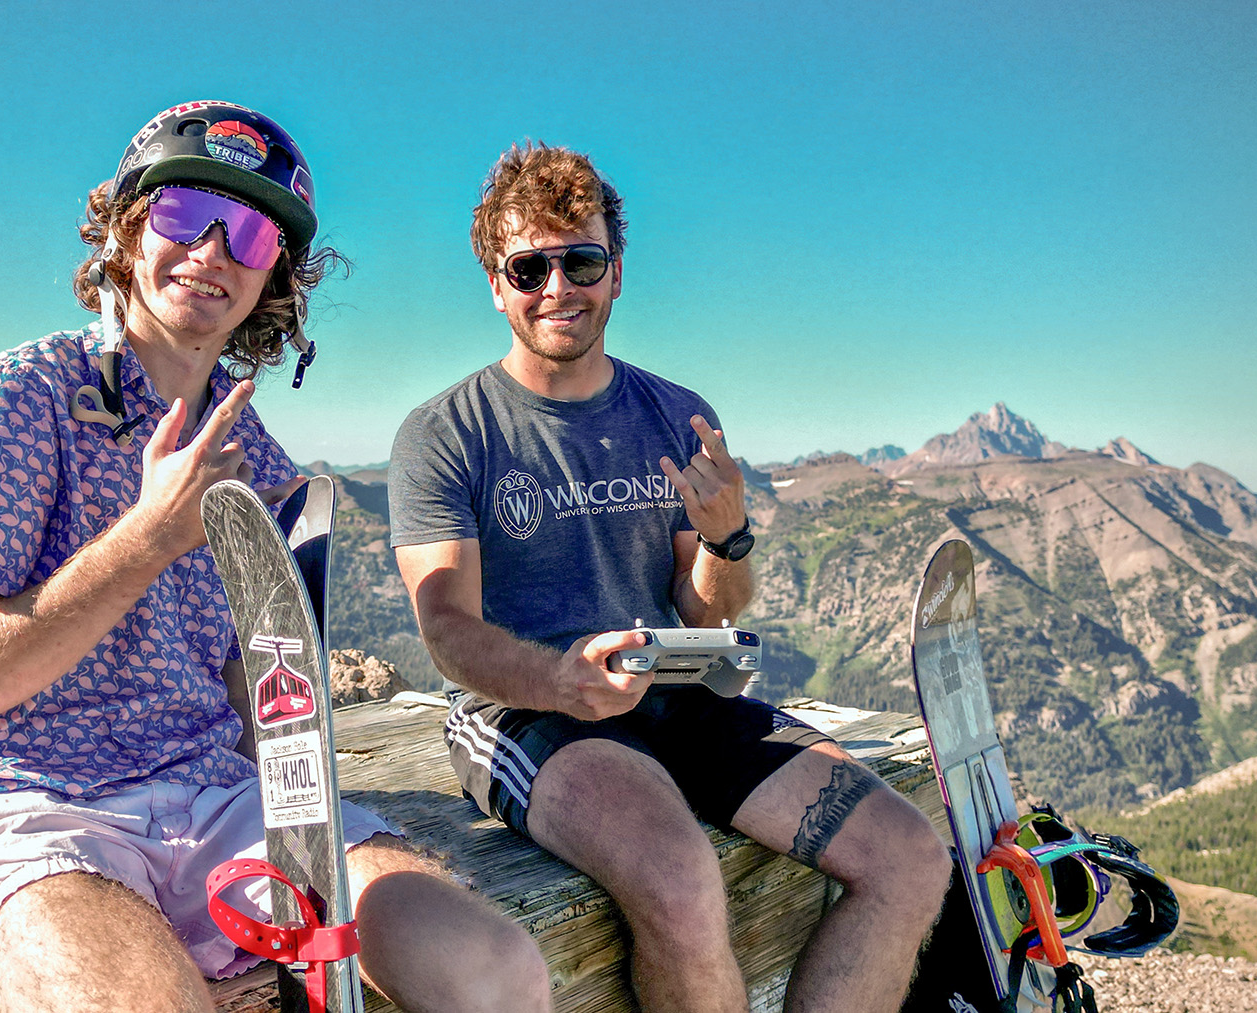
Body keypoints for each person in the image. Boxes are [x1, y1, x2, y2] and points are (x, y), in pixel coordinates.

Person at [0, 102, 550, 1013]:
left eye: (254, 232)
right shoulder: (16, 399)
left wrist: (301, 811)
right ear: (123, 226)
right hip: (22, 804)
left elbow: (246, 676)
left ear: (277, 274)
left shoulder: (254, 453)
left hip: (211, 798)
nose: (213, 250)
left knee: (494, 969)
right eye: (184, 212)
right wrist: (148, 537)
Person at [387, 142, 952, 1013]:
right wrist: (558, 679)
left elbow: (705, 604)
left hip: (676, 690)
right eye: (528, 267)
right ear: (496, 285)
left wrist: (727, 543)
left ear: (616, 272)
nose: (556, 287)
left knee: (908, 857)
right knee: (682, 885)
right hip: (529, 711)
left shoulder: (676, 413)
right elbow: (447, 633)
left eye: (580, 260)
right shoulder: (446, 432)